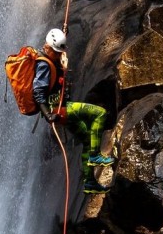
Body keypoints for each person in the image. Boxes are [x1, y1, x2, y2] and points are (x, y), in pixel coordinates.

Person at [33, 28, 114, 194]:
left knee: (85, 137)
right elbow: (38, 93)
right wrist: (48, 115)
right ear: (48, 47)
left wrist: (64, 34)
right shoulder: (43, 64)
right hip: (59, 110)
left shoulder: (50, 56)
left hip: (61, 107)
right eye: (56, 51)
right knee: (99, 113)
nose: (58, 54)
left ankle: (89, 181)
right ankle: (95, 156)